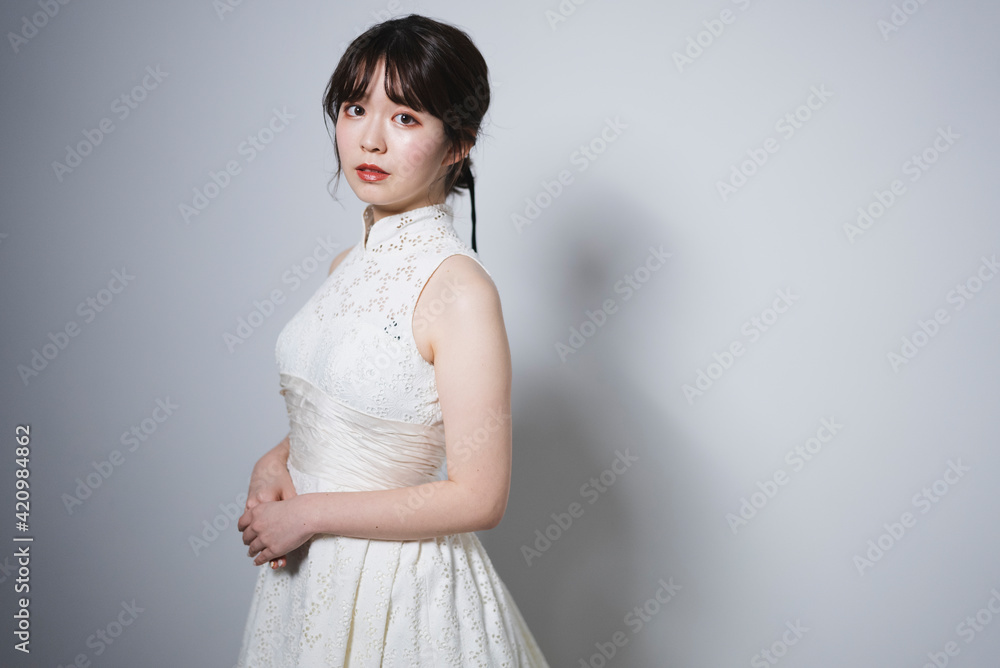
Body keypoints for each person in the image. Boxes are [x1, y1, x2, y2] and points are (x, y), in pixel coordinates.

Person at [234, 14, 550, 667]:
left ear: (458, 143)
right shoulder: (344, 266)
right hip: (310, 581)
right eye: (356, 109)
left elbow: (480, 495)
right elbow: (362, 417)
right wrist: (274, 460)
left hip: (401, 594)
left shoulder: (459, 290)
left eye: (405, 117)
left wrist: (309, 514)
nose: (370, 139)